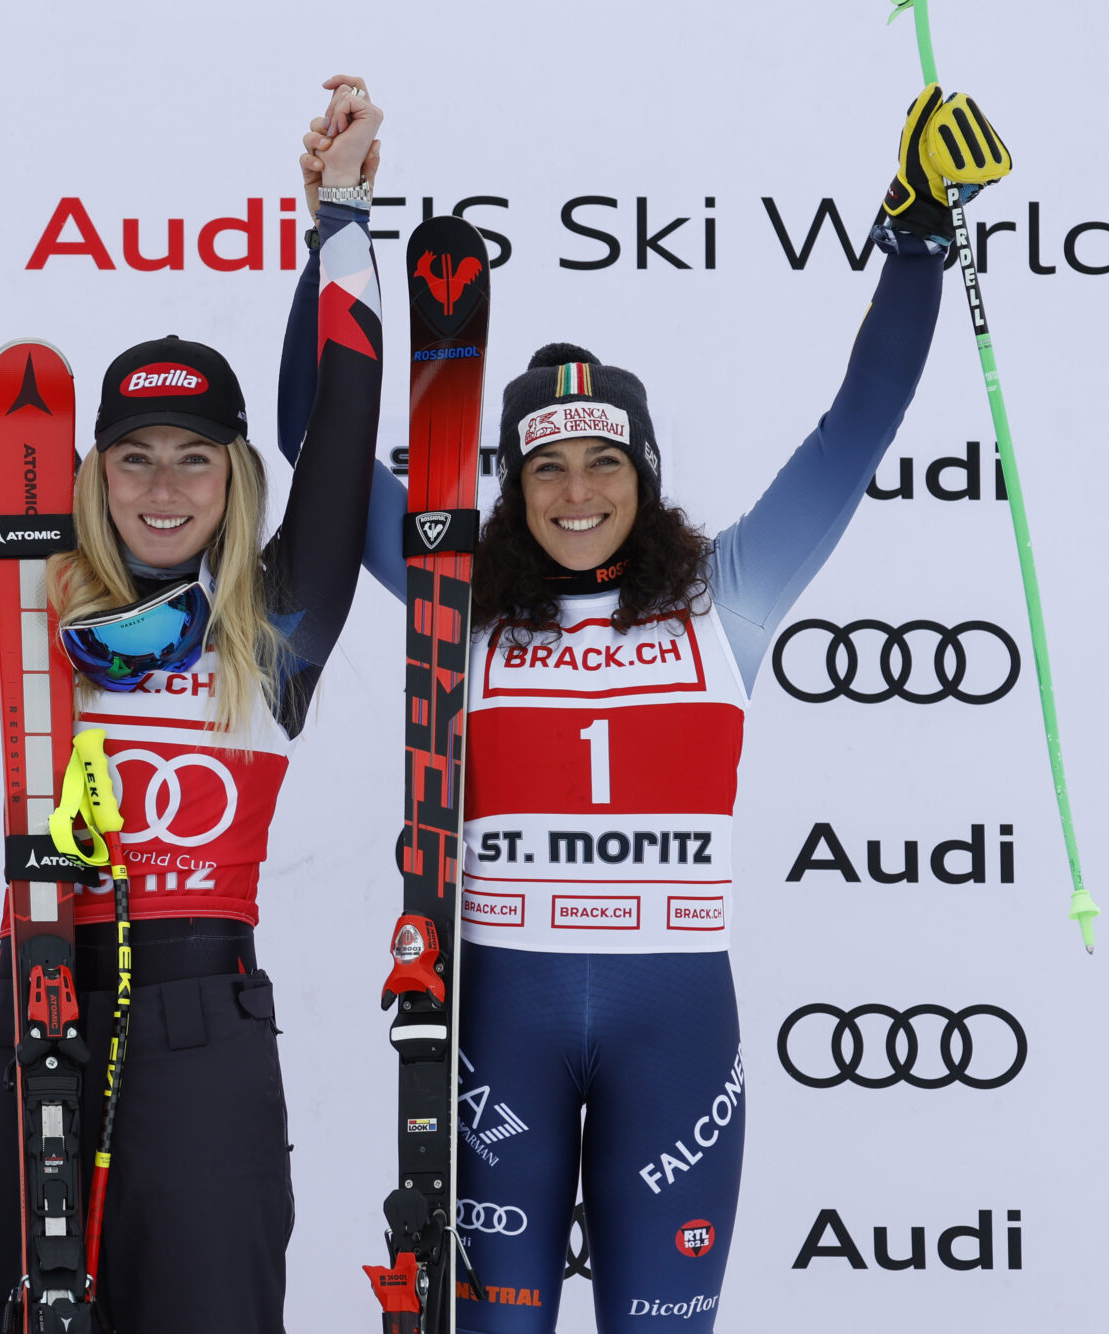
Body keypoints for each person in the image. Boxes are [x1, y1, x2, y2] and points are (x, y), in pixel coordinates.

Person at [280, 86, 1012, 1333]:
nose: (575, 493)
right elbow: (317, 436)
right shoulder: (451, 587)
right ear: (509, 483)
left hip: (672, 1035)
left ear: (644, 475)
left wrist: (919, 231)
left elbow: (855, 430)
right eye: (547, 464)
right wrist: (337, 222)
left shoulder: (724, 596)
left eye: (603, 463)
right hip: (496, 1020)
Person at [0, 62, 385, 1333]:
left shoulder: (274, 628)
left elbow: (351, 418)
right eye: (133, 456)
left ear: (232, 474)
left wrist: (347, 219)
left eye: (193, 458)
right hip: (35, 988)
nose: (161, 486)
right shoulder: (32, 599)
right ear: (88, 470)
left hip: (205, 1029)